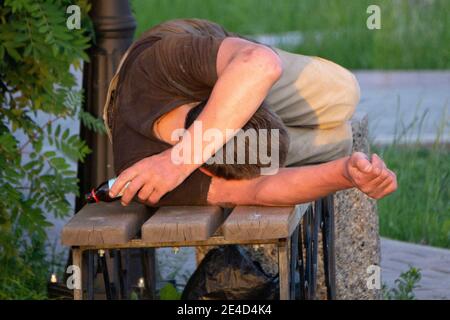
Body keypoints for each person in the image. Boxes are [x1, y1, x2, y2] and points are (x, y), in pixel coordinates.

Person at [104, 18, 397, 207]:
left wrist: (178, 161)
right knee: (339, 142)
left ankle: (243, 93)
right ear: (205, 168)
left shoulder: (157, 65)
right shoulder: (148, 175)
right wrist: (346, 173)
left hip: (189, 58)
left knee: (344, 94)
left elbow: (260, 64)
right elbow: (257, 190)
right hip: (172, 131)